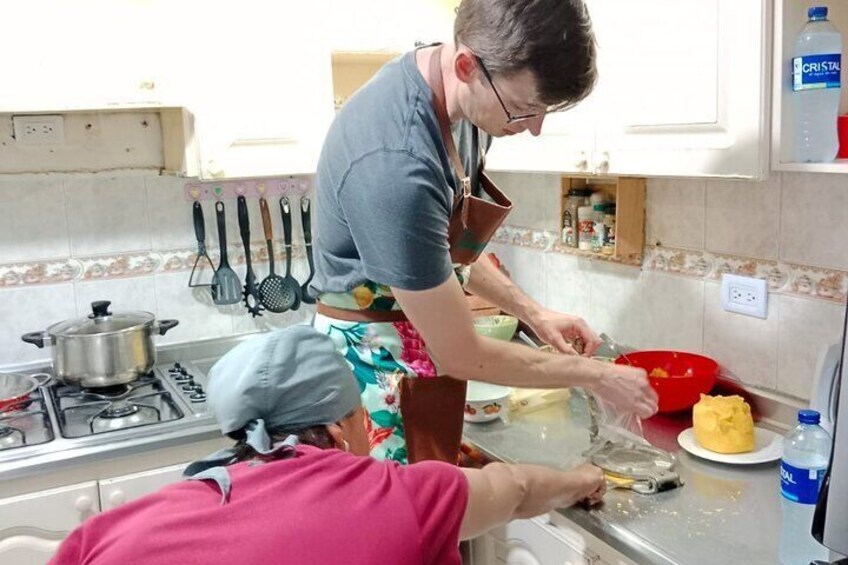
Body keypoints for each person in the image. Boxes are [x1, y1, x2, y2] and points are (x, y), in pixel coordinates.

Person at [310, 0, 658, 464]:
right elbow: (460, 352)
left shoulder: (465, 105)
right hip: (374, 374)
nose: (533, 129)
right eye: (523, 109)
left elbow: (446, 255)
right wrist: (592, 375)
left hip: (421, 355)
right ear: (465, 65)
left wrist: (534, 314)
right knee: (405, 527)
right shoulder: (395, 163)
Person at [49, 326, 607, 565]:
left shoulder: (115, 530)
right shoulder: (394, 497)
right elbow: (516, 488)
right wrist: (584, 478)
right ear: (341, 428)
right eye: (364, 419)